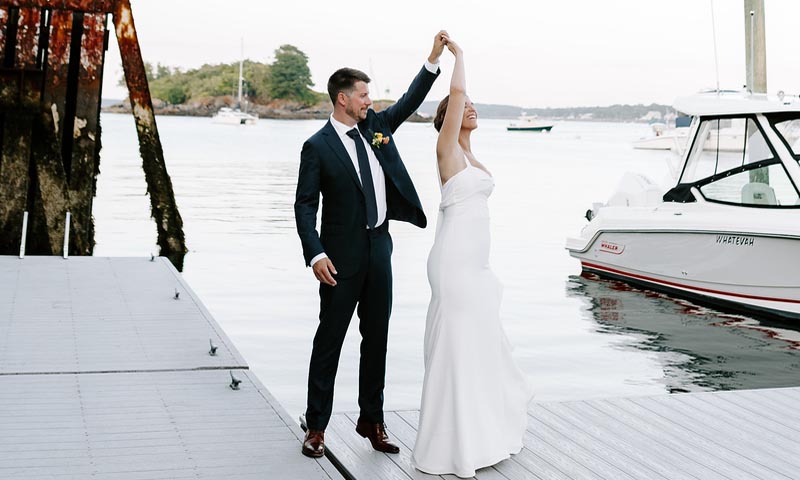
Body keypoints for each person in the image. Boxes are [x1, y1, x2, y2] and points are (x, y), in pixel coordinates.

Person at [294, 31, 448, 458]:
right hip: (338, 259)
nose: (369, 101)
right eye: (363, 95)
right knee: (330, 339)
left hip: (380, 249)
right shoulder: (317, 147)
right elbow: (304, 206)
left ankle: (371, 420)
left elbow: (410, 101)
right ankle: (317, 426)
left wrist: (432, 60)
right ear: (343, 99)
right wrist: (316, 253)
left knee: (376, 337)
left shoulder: (377, 128)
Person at [411, 36, 533, 478]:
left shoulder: (471, 155)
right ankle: (450, 446)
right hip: (454, 265)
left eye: (475, 107)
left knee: (478, 345)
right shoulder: (447, 150)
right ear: (448, 120)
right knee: (456, 348)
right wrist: (458, 57)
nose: (472, 109)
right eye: (466, 107)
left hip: (476, 267)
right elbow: (457, 94)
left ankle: (480, 436)